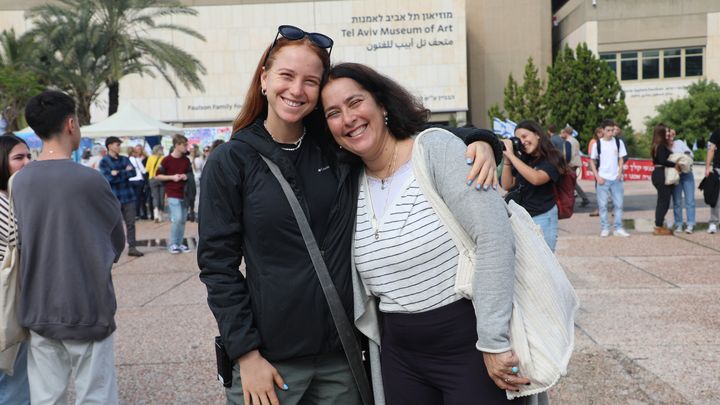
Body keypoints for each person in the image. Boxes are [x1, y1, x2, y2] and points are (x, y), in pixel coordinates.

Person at [198, 25, 500, 405]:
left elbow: (408, 136)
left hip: (340, 355)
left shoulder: (335, 146)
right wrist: (246, 354)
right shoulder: (231, 161)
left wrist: (480, 140)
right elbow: (217, 265)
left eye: (310, 81)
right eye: (286, 76)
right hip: (270, 361)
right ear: (263, 78)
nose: (296, 90)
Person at [321, 62, 529, 404]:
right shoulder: (347, 183)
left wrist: (493, 341)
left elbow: (494, 237)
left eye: (355, 102)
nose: (348, 118)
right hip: (400, 354)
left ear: (382, 105)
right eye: (333, 113)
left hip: (469, 344)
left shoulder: (435, 150)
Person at [13, 90, 125, 404]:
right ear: (71, 124)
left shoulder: (20, 182)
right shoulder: (90, 180)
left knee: (46, 397)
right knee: (96, 396)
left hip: (38, 304)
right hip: (88, 304)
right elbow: (116, 240)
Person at [501, 120, 568, 251]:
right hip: (522, 218)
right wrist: (508, 161)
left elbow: (537, 178)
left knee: (545, 262)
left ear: (537, 134)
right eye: (519, 139)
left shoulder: (552, 157)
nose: (522, 141)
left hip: (543, 216)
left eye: (525, 136)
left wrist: (512, 156)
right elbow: (507, 184)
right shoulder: (523, 159)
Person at [0, 133, 32, 405]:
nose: (26, 163)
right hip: (6, 296)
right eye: (18, 158)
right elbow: (16, 238)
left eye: (29, 156)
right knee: (13, 369)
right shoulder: (5, 199)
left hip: (9, 293)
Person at [99, 136, 144, 257]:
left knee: (131, 223)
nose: (119, 147)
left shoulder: (124, 159)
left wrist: (117, 173)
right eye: (117, 144)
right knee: (114, 225)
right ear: (109, 146)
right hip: (114, 198)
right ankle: (113, 249)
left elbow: (133, 172)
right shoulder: (104, 161)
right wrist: (124, 172)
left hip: (128, 196)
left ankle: (132, 247)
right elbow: (108, 178)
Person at [589, 119, 630, 237]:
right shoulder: (598, 144)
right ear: (602, 130)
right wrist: (597, 177)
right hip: (602, 178)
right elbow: (592, 161)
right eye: (608, 130)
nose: (610, 133)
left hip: (616, 178)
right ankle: (605, 228)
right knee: (602, 206)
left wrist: (620, 172)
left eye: (612, 130)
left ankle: (618, 228)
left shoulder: (618, 142)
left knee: (619, 204)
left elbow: (621, 158)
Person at [155, 135, 192, 254]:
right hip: (172, 193)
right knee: (177, 218)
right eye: (184, 145)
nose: (187, 147)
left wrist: (185, 176)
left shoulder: (186, 160)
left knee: (182, 220)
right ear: (177, 145)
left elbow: (190, 174)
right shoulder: (166, 160)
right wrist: (173, 177)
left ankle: (179, 243)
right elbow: (158, 175)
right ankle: (173, 244)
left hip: (184, 193)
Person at [650, 124, 678, 235]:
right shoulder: (661, 145)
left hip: (658, 174)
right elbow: (662, 160)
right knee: (664, 202)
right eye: (666, 132)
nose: (668, 133)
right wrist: (675, 164)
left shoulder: (656, 144)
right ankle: (658, 226)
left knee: (662, 201)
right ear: (661, 133)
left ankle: (659, 224)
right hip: (661, 174)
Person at [669, 128, 696, 233]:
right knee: (677, 201)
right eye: (669, 134)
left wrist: (683, 159)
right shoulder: (665, 147)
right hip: (675, 175)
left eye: (673, 134)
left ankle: (690, 224)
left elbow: (690, 154)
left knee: (690, 201)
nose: (671, 136)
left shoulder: (679, 143)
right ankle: (679, 224)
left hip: (687, 174)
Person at [561, 125, 589, 207]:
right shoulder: (575, 140)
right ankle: (584, 198)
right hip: (576, 163)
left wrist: (565, 165)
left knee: (569, 183)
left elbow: (568, 155)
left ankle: (570, 202)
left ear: (566, 133)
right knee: (573, 183)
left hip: (570, 164)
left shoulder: (568, 141)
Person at [704, 128, 719, 234]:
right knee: (716, 198)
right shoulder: (717, 132)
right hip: (719, 168)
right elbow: (711, 149)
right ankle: (713, 222)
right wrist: (707, 167)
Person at [145, 144, 165, 222]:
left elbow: (147, 169)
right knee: (161, 198)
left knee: (155, 197)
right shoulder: (163, 158)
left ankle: (156, 215)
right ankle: (160, 215)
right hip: (161, 178)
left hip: (152, 178)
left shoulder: (150, 158)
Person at [129, 144, 148, 219]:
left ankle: (132, 213)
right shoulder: (137, 160)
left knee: (131, 198)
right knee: (138, 198)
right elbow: (143, 170)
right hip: (138, 180)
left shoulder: (126, 160)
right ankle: (137, 213)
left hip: (130, 180)